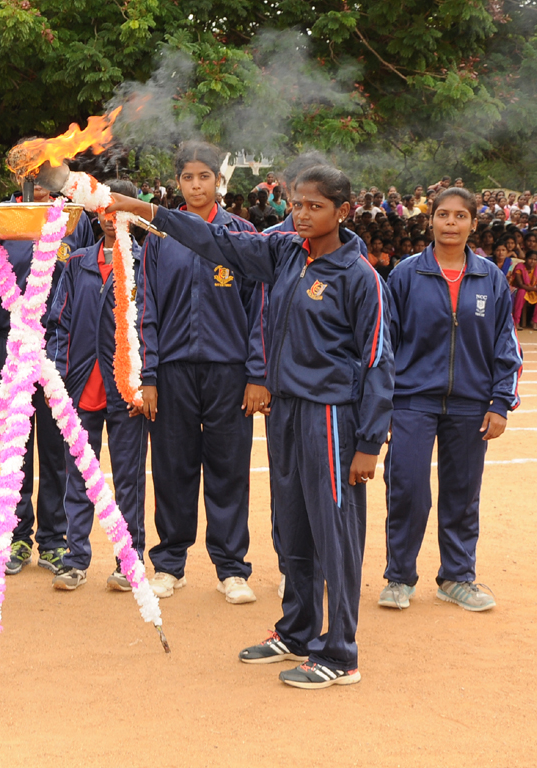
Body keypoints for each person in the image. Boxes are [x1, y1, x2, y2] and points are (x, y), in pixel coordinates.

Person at [109, 162, 394, 689]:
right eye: (296, 204)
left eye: (315, 206)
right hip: (285, 411)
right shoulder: (284, 252)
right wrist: (146, 211)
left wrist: (368, 443)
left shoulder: (359, 277)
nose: (302, 215)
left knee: (335, 533)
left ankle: (341, 652)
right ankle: (299, 628)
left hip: (331, 417)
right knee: (294, 527)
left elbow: (378, 361)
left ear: (342, 211)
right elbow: (213, 240)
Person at [380, 187, 521, 614]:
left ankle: (457, 577)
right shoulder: (405, 274)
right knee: (406, 488)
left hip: (471, 404)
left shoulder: (490, 278)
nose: (451, 223)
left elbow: (505, 344)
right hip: (411, 400)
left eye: (461, 216)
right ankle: (399, 577)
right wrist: (382, 402)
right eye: (443, 215)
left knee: (462, 492)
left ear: (473, 224)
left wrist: (499, 403)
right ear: (431, 220)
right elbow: (384, 342)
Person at [140, 143, 263, 604]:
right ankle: (170, 563)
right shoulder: (158, 236)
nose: (196, 185)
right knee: (172, 467)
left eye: (204, 177)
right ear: (178, 183)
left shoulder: (244, 234)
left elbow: (259, 310)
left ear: (218, 181)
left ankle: (231, 568)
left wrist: (257, 373)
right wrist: (148, 375)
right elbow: (146, 308)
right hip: (172, 371)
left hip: (229, 371)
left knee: (229, 468)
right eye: (188, 177)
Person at [0, 181, 98, 576]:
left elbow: (82, 277)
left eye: (47, 173)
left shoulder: (74, 219)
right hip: (12, 347)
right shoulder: (2, 218)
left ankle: (53, 539)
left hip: (58, 347)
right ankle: (17, 536)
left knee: (56, 449)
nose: (40, 181)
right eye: (32, 174)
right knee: (15, 447)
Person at [48, 179, 150, 592]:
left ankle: (130, 559)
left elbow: (149, 329)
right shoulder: (76, 264)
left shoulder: (146, 263)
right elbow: (59, 322)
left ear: (134, 214)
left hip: (125, 391)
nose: (112, 220)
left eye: (120, 211)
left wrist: (144, 384)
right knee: (80, 475)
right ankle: (74, 559)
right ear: (94, 213)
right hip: (80, 386)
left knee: (128, 478)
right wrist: (58, 375)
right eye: (105, 211)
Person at [510, 251, 537, 329]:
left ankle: (535, 321)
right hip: (519, 289)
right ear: (526, 259)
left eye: (535, 259)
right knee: (521, 292)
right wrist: (535, 289)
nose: (532, 261)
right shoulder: (520, 267)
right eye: (530, 259)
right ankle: (516, 321)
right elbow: (520, 284)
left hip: (532, 289)